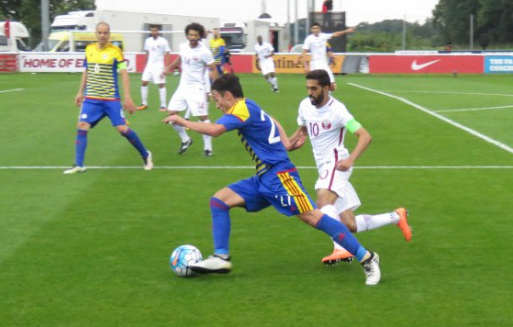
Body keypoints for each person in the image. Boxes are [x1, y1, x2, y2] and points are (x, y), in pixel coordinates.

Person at [162, 73, 382, 285]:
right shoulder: (248, 105)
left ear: (228, 95)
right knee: (219, 201)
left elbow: (216, 130)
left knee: (315, 218)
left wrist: (183, 121)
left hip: (281, 177)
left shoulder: (241, 109)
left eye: (216, 99)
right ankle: (221, 258)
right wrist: (285, 141)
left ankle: (367, 258)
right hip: (264, 179)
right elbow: (271, 119)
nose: (216, 105)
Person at [288, 69, 412, 265]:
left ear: (326, 88)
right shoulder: (305, 106)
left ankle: (341, 249)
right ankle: (396, 216)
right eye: (307, 88)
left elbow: (364, 135)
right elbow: (304, 127)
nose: (310, 92)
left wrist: (351, 159)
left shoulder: (338, 110)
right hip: (323, 167)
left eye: (314, 88)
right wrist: (289, 142)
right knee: (348, 224)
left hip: (337, 163)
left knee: (322, 202)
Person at [64, 22, 153, 174]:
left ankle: (146, 155)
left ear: (109, 34)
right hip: (91, 98)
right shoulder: (89, 49)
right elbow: (86, 71)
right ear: (96, 33)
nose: (103, 35)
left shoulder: (116, 51)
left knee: (122, 129)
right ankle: (79, 164)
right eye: (100, 32)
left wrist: (128, 97)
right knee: (82, 126)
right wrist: (80, 92)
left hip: (111, 99)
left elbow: (124, 73)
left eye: (105, 32)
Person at [164, 22, 217, 157]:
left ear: (199, 37)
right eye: (190, 34)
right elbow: (180, 59)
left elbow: (213, 68)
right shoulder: (183, 47)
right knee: (171, 114)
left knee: (202, 117)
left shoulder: (204, 51)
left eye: (195, 35)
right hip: (182, 87)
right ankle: (186, 139)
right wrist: (168, 68)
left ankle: (208, 147)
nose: (192, 37)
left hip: (196, 89)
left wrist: (215, 88)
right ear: (187, 35)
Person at [297, 22, 355, 90]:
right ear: (311, 30)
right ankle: (318, 99)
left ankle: (325, 97)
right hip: (314, 65)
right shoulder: (309, 39)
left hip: (324, 64)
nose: (315, 30)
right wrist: (306, 66)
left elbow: (335, 34)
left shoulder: (323, 36)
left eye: (317, 28)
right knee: (315, 85)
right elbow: (304, 52)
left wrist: (347, 31)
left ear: (320, 29)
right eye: (314, 28)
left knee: (333, 86)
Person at [137, 26, 171, 111]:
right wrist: (146, 64)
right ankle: (144, 103)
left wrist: (166, 67)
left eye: (155, 30)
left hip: (159, 65)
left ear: (158, 31)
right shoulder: (147, 41)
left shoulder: (163, 41)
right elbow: (147, 52)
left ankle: (163, 105)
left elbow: (167, 53)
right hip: (149, 65)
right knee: (144, 82)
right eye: (152, 30)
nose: (153, 32)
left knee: (161, 84)